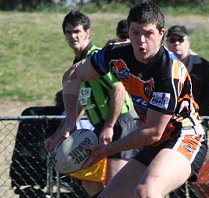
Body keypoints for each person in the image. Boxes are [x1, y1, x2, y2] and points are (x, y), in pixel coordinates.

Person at [59, 2, 208, 198]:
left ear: (161, 33)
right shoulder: (115, 53)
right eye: (135, 33)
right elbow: (73, 75)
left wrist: (104, 150)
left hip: (185, 135)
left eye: (148, 34)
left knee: (147, 191)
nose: (141, 41)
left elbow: (153, 132)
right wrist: (70, 120)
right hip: (156, 143)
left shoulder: (169, 72)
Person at [44, 10, 138, 198]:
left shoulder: (97, 58)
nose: (73, 36)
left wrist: (110, 126)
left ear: (88, 33)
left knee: (115, 183)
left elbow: (119, 89)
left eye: (77, 31)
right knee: (88, 180)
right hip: (99, 126)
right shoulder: (78, 62)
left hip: (120, 124)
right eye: (69, 32)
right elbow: (81, 102)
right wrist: (60, 133)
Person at [166, 25, 209, 116]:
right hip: (167, 120)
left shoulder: (204, 67)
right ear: (167, 43)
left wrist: (199, 113)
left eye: (180, 40)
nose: (176, 43)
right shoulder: (161, 66)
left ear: (188, 42)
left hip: (197, 120)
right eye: (172, 40)